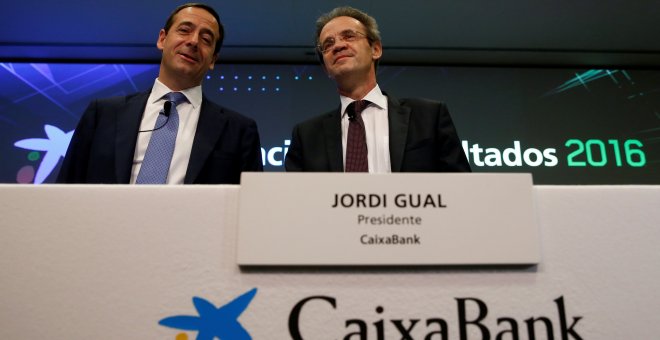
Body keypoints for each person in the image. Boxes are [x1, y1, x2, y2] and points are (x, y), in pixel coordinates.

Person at [57, 3, 262, 184]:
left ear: (213, 60)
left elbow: (250, 209)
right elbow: (65, 190)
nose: (193, 42)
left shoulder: (240, 131)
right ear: (162, 39)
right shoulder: (102, 114)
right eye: (184, 30)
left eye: (206, 39)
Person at [284, 6, 470, 173]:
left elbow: (461, 191)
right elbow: (297, 204)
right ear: (325, 68)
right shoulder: (306, 136)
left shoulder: (429, 117)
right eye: (328, 44)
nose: (338, 46)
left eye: (349, 36)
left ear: (375, 49)